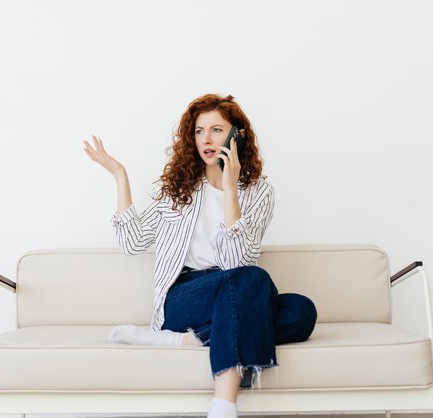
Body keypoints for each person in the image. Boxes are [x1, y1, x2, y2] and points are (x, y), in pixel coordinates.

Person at [84, 93, 317, 418]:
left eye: (217, 130)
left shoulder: (259, 191)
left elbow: (237, 263)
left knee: (302, 311)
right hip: (184, 297)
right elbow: (132, 242)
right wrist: (119, 175)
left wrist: (230, 188)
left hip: (233, 288)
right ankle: (224, 404)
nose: (206, 139)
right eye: (199, 131)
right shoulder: (179, 188)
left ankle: (182, 342)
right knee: (254, 280)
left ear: (238, 135)